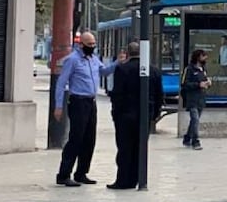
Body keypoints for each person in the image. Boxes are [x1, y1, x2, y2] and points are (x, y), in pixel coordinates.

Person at [53, 31, 122, 187]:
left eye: (93, 44)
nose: (92, 47)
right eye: (89, 44)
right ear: (81, 44)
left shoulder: (93, 59)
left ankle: (81, 172)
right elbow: (61, 83)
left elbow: (104, 72)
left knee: (89, 139)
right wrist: (58, 106)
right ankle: (64, 174)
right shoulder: (72, 60)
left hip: (91, 102)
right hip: (78, 101)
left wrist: (117, 63)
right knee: (76, 138)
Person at [107, 42, 164, 190]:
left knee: (125, 148)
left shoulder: (122, 69)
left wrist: (115, 113)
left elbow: (117, 94)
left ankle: (124, 180)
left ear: (128, 53)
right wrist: (155, 114)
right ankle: (139, 178)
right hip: (145, 116)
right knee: (140, 147)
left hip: (125, 116)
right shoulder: (154, 71)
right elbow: (159, 95)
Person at [181, 49, 211, 150]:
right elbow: (185, 84)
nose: (205, 58)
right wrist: (198, 85)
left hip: (201, 98)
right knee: (195, 119)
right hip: (192, 99)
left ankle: (187, 137)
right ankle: (195, 141)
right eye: (203, 56)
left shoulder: (203, 69)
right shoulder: (189, 69)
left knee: (194, 121)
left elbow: (205, 80)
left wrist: (207, 83)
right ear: (198, 57)